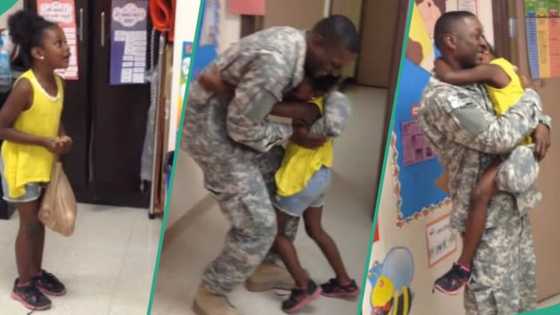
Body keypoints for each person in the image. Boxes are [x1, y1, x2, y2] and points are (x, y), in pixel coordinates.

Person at [183, 15, 359, 315]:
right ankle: (211, 292)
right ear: (317, 42)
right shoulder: (277, 62)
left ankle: (264, 266)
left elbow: (252, 106)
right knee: (258, 225)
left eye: (339, 67)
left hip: (236, 118)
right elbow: (242, 128)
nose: (333, 71)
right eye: (332, 63)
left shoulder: (300, 50)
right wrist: (292, 134)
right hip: (212, 132)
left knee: (284, 185)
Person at [417, 11, 551, 314]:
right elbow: (499, 136)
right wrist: (532, 99)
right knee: (491, 302)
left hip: (512, 205)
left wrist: (543, 121)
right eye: (475, 36)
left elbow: (513, 99)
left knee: (520, 292)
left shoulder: (478, 76)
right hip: (486, 221)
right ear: (451, 42)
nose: (482, 43)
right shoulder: (443, 97)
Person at [431, 39, 541, 294]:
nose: (479, 54)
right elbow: (527, 89)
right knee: (480, 195)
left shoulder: (493, 69)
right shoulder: (507, 72)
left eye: (483, 49)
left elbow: (449, 75)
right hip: (514, 145)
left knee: (480, 194)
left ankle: (464, 265)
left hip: (516, 147)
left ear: (491, 53)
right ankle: (465, 264)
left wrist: (438, 59)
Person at [0, 10, 72, 311]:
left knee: (39, 223)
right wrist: (43, 142)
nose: (66, 48)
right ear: (39, 53)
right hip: (20, 167)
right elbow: (2, 128)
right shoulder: (25, 87)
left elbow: (53, 120)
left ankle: (36, 273)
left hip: (42, 164)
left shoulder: (58, 84)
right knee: (28, 226)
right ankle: (23, 283)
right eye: (59, 43)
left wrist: (62, 137)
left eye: (65, 41)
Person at [270, 76, 359, 313]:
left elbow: (302, 138)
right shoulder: (325, 105)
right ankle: (345, 283)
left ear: (314, 89)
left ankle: (302, 285)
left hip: (301, 179)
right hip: (321, 175)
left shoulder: (307, 110)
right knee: (315, 230)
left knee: (277, 234)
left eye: (301, 84)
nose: (295, 86)